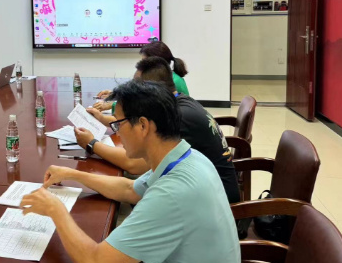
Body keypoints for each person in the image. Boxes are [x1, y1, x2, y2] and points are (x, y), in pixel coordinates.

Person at [20, 81, 240, 263]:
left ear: (143, 126)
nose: (116, 132)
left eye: (118, 124)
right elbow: (129, 189)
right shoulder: (188, 157)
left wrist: (56, 210)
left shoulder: (171, 194)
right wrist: (72, 174)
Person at [77, 57, 240, 204]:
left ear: (152, 90)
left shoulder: (178, 117)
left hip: (216, 200)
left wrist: (92, 144)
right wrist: (105, 119)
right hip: (201, 188)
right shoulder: (178, 103)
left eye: (137, 88)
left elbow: (133, 165)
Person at [94, 41, 189, 108]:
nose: (142, 64)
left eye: (145, 61)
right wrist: (115, 94)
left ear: (156, 62)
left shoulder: (168, 81)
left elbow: (143, 104)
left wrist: (112, 104)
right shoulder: (167, 76)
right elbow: (137, 94)